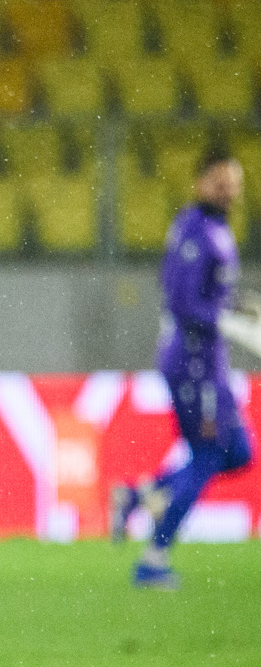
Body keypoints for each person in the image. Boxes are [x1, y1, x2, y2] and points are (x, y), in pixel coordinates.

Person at [109, 147, 256, 588]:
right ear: (200, 182)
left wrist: (236, 306)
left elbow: (208, 296)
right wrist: (229, 320)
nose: (228, 190)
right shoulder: (195, 229)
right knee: (209, 453)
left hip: (210, 362)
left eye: (234, 183)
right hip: (193, 363)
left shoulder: (217, 229)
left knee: (239, 452)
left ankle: (137, 496)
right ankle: (153, 558)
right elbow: (184, 302)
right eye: (219, 182)